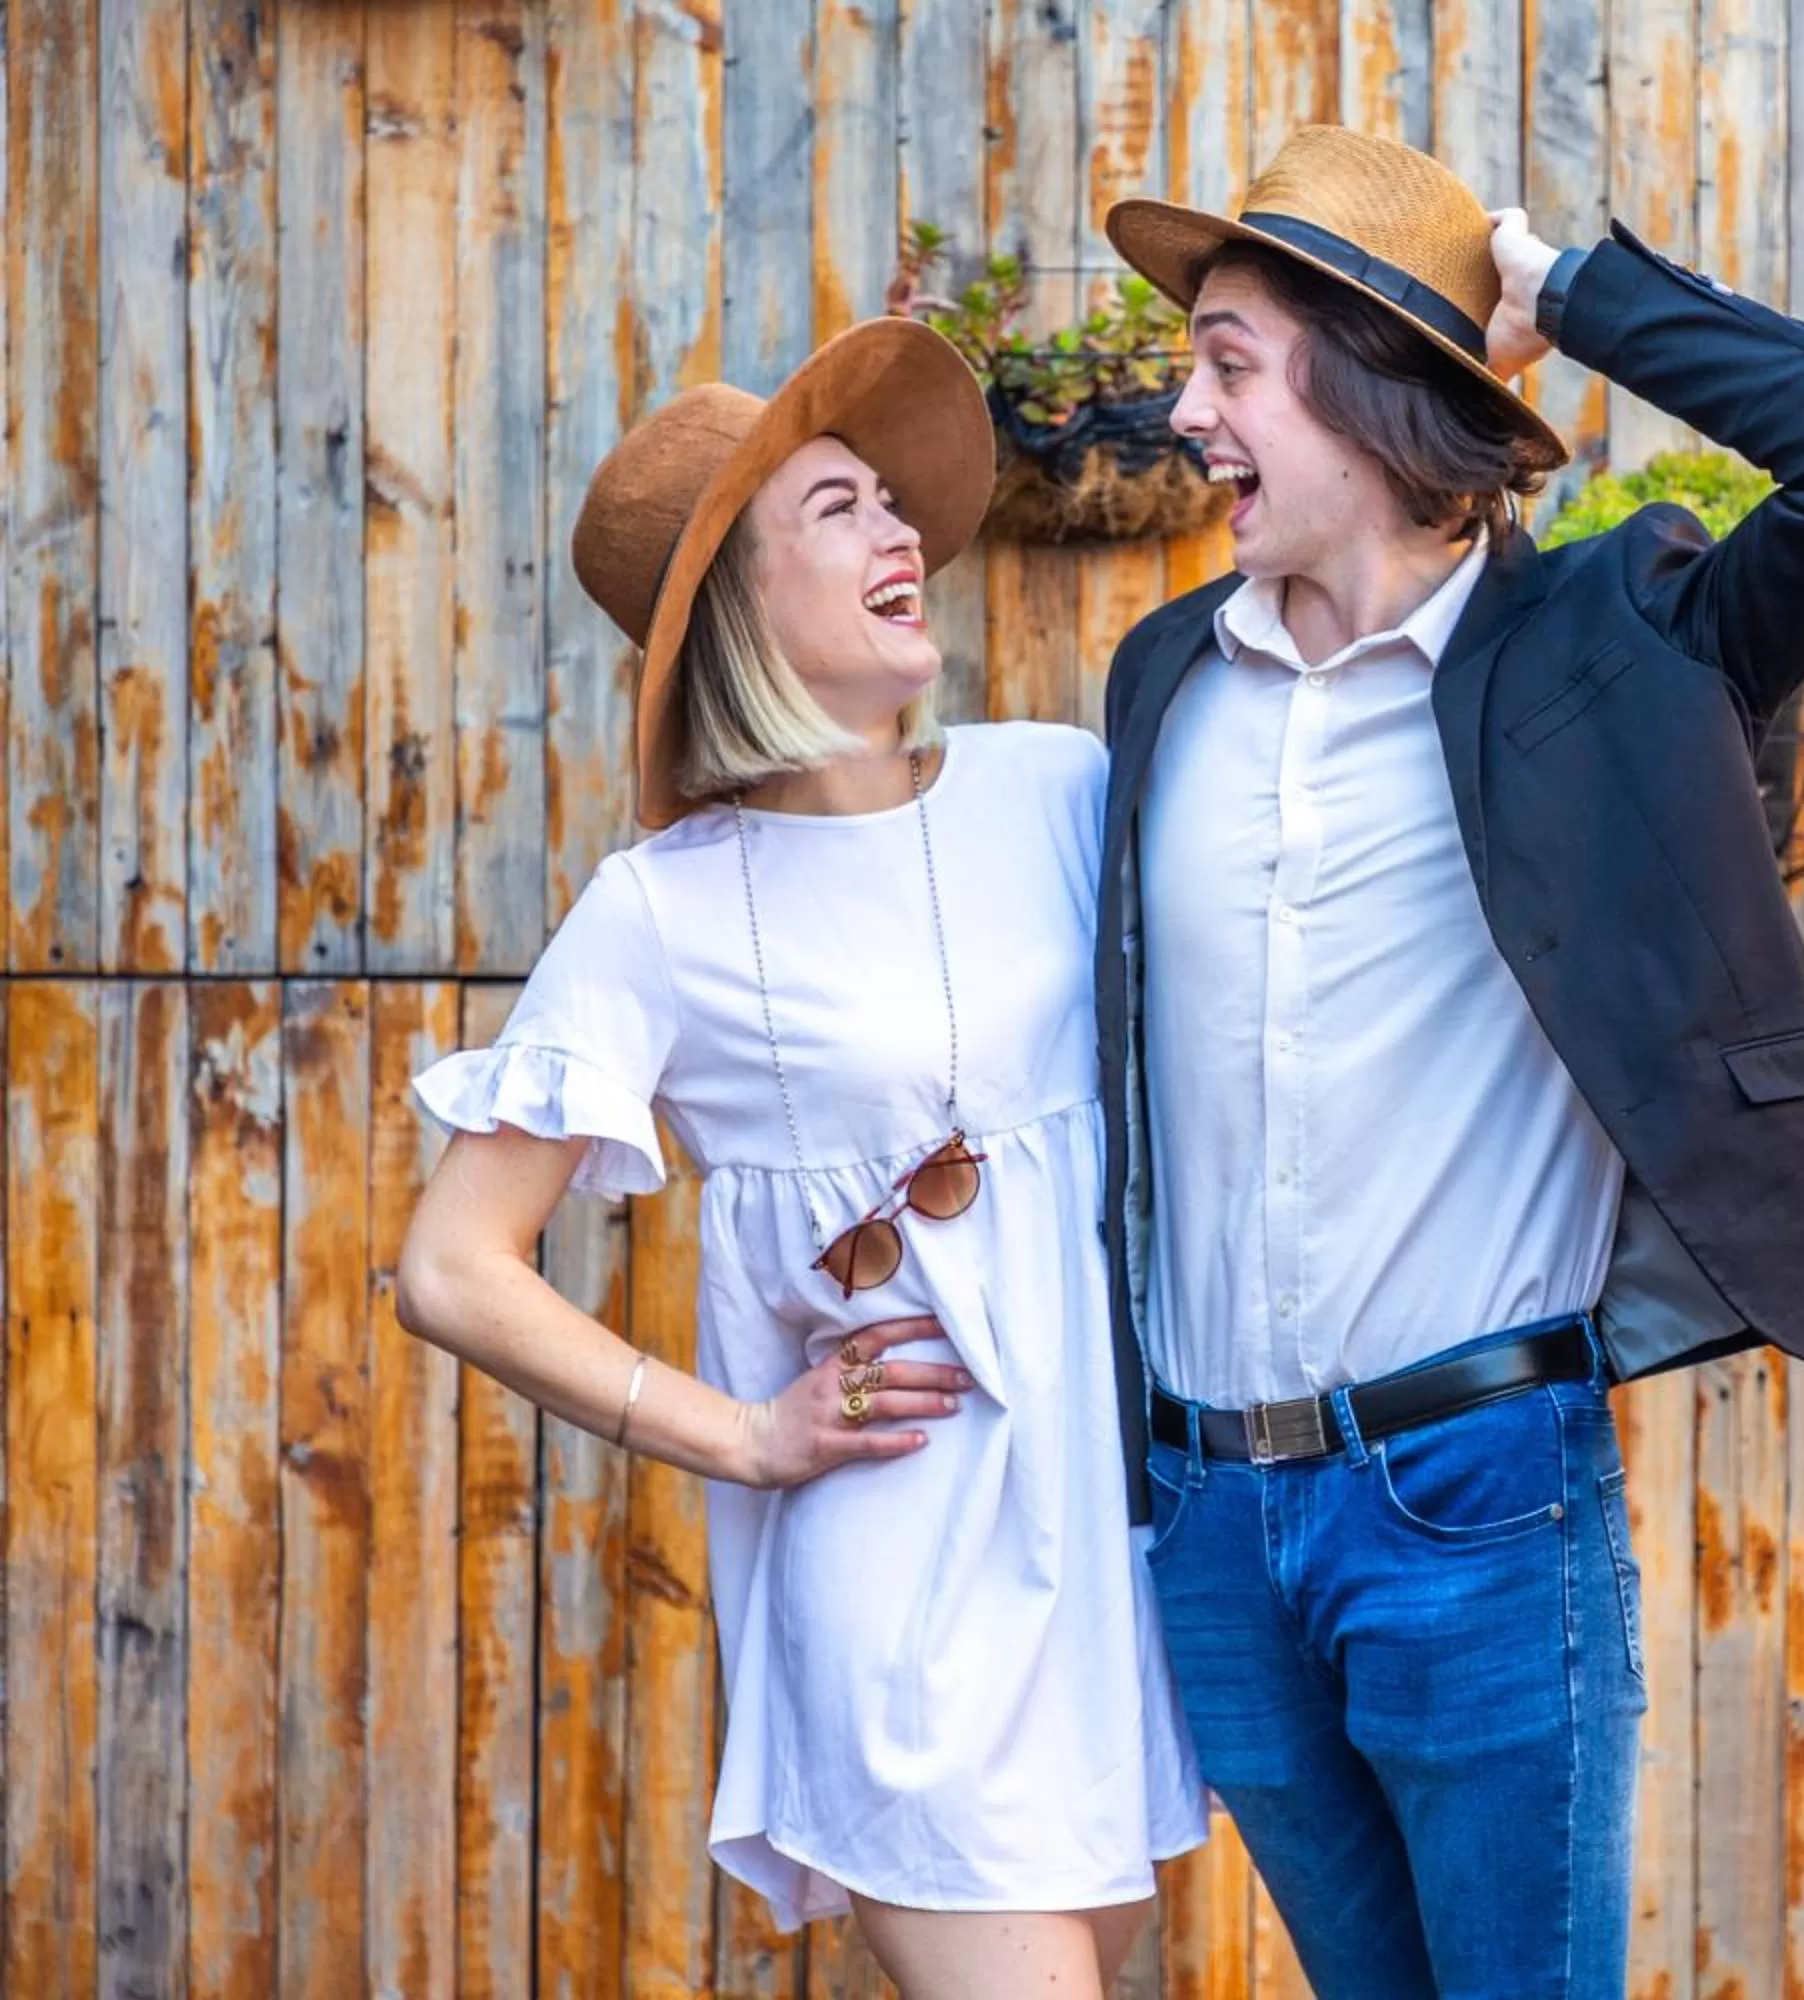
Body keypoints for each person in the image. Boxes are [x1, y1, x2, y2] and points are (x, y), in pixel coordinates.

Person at [1088, 125, 1804, 1997]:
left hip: (1474, 1497)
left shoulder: (1619, 645)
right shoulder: (1163, 680)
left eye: (1230, 365)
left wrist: (1560, 289)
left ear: (1371, 385)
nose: (1185, 412)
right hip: (1210, 1519)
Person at [393, 317, 1206, 1999]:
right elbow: (451, 1268)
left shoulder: (1057, 788)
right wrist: (745, 1438)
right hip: (903, 1595)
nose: (900, 531)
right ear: (741, 609)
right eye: (840, 509)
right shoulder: (662, 914)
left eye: (890, 502)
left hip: (1109, 1571)